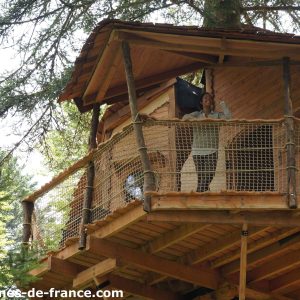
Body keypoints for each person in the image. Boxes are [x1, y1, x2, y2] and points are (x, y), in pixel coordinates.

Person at [182, 92, 231, 192]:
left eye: (209, 97)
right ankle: (203, 196)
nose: (207, 98)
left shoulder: (217, 115)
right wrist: (197, 120)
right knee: (202, 179)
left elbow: (229, 117)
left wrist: (222, 103)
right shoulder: (197, 114)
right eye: (205, 97)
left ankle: (198, 194)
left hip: (212, 150)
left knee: (209, 175)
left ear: (212, 102)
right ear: (201, 102)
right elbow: (184, 118)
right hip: (197, 151)